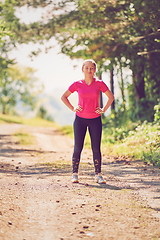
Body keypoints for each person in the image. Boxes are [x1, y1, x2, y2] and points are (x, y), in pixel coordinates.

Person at [61, 59, 114, 184]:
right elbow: (64, 97)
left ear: (95, 70)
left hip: (95, 120)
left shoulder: (100, 83)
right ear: (82, 69)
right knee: (78, 147)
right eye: (87, 68)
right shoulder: (77, 84)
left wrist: (103, 109)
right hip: (80, 119)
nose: (89, 70)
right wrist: (73, 108)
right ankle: (74, 174)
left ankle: (98, 175)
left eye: (92, 68)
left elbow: (111, 97)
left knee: (96, 148)